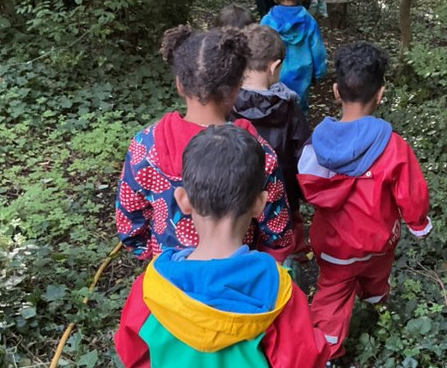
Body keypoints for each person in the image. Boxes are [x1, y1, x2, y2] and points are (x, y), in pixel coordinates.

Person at [114, 125, 330, 367]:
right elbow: (303, 360)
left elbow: (132, 354)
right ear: (260, 205)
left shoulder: (149, 289)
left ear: (183, 200)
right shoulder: (279, 292)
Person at [297, 42, 432, 360]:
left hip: (333, 248)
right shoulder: (394, 147)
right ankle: (378, 304)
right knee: (375, 276)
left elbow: (307, 185)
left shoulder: (316, 146)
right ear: (381, 94)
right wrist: (418, 223)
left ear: (335, 91)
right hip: (378, 242)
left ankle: (327, 351)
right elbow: (411, 194)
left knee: (331, 295)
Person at [115, 26, 293, 263]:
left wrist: (154, 257)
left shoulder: (145, 147)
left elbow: (130, 220)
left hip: (169, 281)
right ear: (236, 88)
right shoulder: (257, 152)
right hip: (238, 280)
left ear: (179, 84)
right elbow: (276, 228)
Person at [230, 24, 311, 258]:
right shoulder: (288, 107)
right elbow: (303, 154)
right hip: (284, 194)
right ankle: (287, 265)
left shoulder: (227, 103)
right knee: (287, 235)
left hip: (236, 196)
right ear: (274, 66)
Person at [260, 0, 327, 113]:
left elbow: (258, 52)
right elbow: (318, 54)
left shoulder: (267, 21)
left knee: (274, 116)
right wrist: (318, 74)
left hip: (272, 78)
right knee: (298, 116)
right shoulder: (309, 22)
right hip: (300, 79)